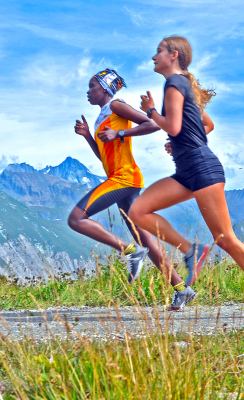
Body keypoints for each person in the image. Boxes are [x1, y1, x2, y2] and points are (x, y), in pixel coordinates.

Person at [129, 36, 244, 318]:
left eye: (158, 52)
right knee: (138, 210)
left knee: (224, 238)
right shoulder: (182, 85)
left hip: (201, 168)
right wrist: (179, 143)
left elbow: (173, 126)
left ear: (173, 55)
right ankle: (191, 251)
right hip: (187, 169)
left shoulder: (174, 83)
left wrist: (151, 111)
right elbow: (206, 124)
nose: (154, 57)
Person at [68, 68, 196, 310]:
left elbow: (152, 124)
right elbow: (104, 155)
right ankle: (182, 289)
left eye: (92, 86)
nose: (88, 91)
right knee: (144, 237)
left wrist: (120, 132)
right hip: (124, 179)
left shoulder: (116, 106)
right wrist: (88, 136)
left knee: (76, 219)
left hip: (123, 179)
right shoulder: (102, 117)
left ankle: (129, 251)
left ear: (104, 89)